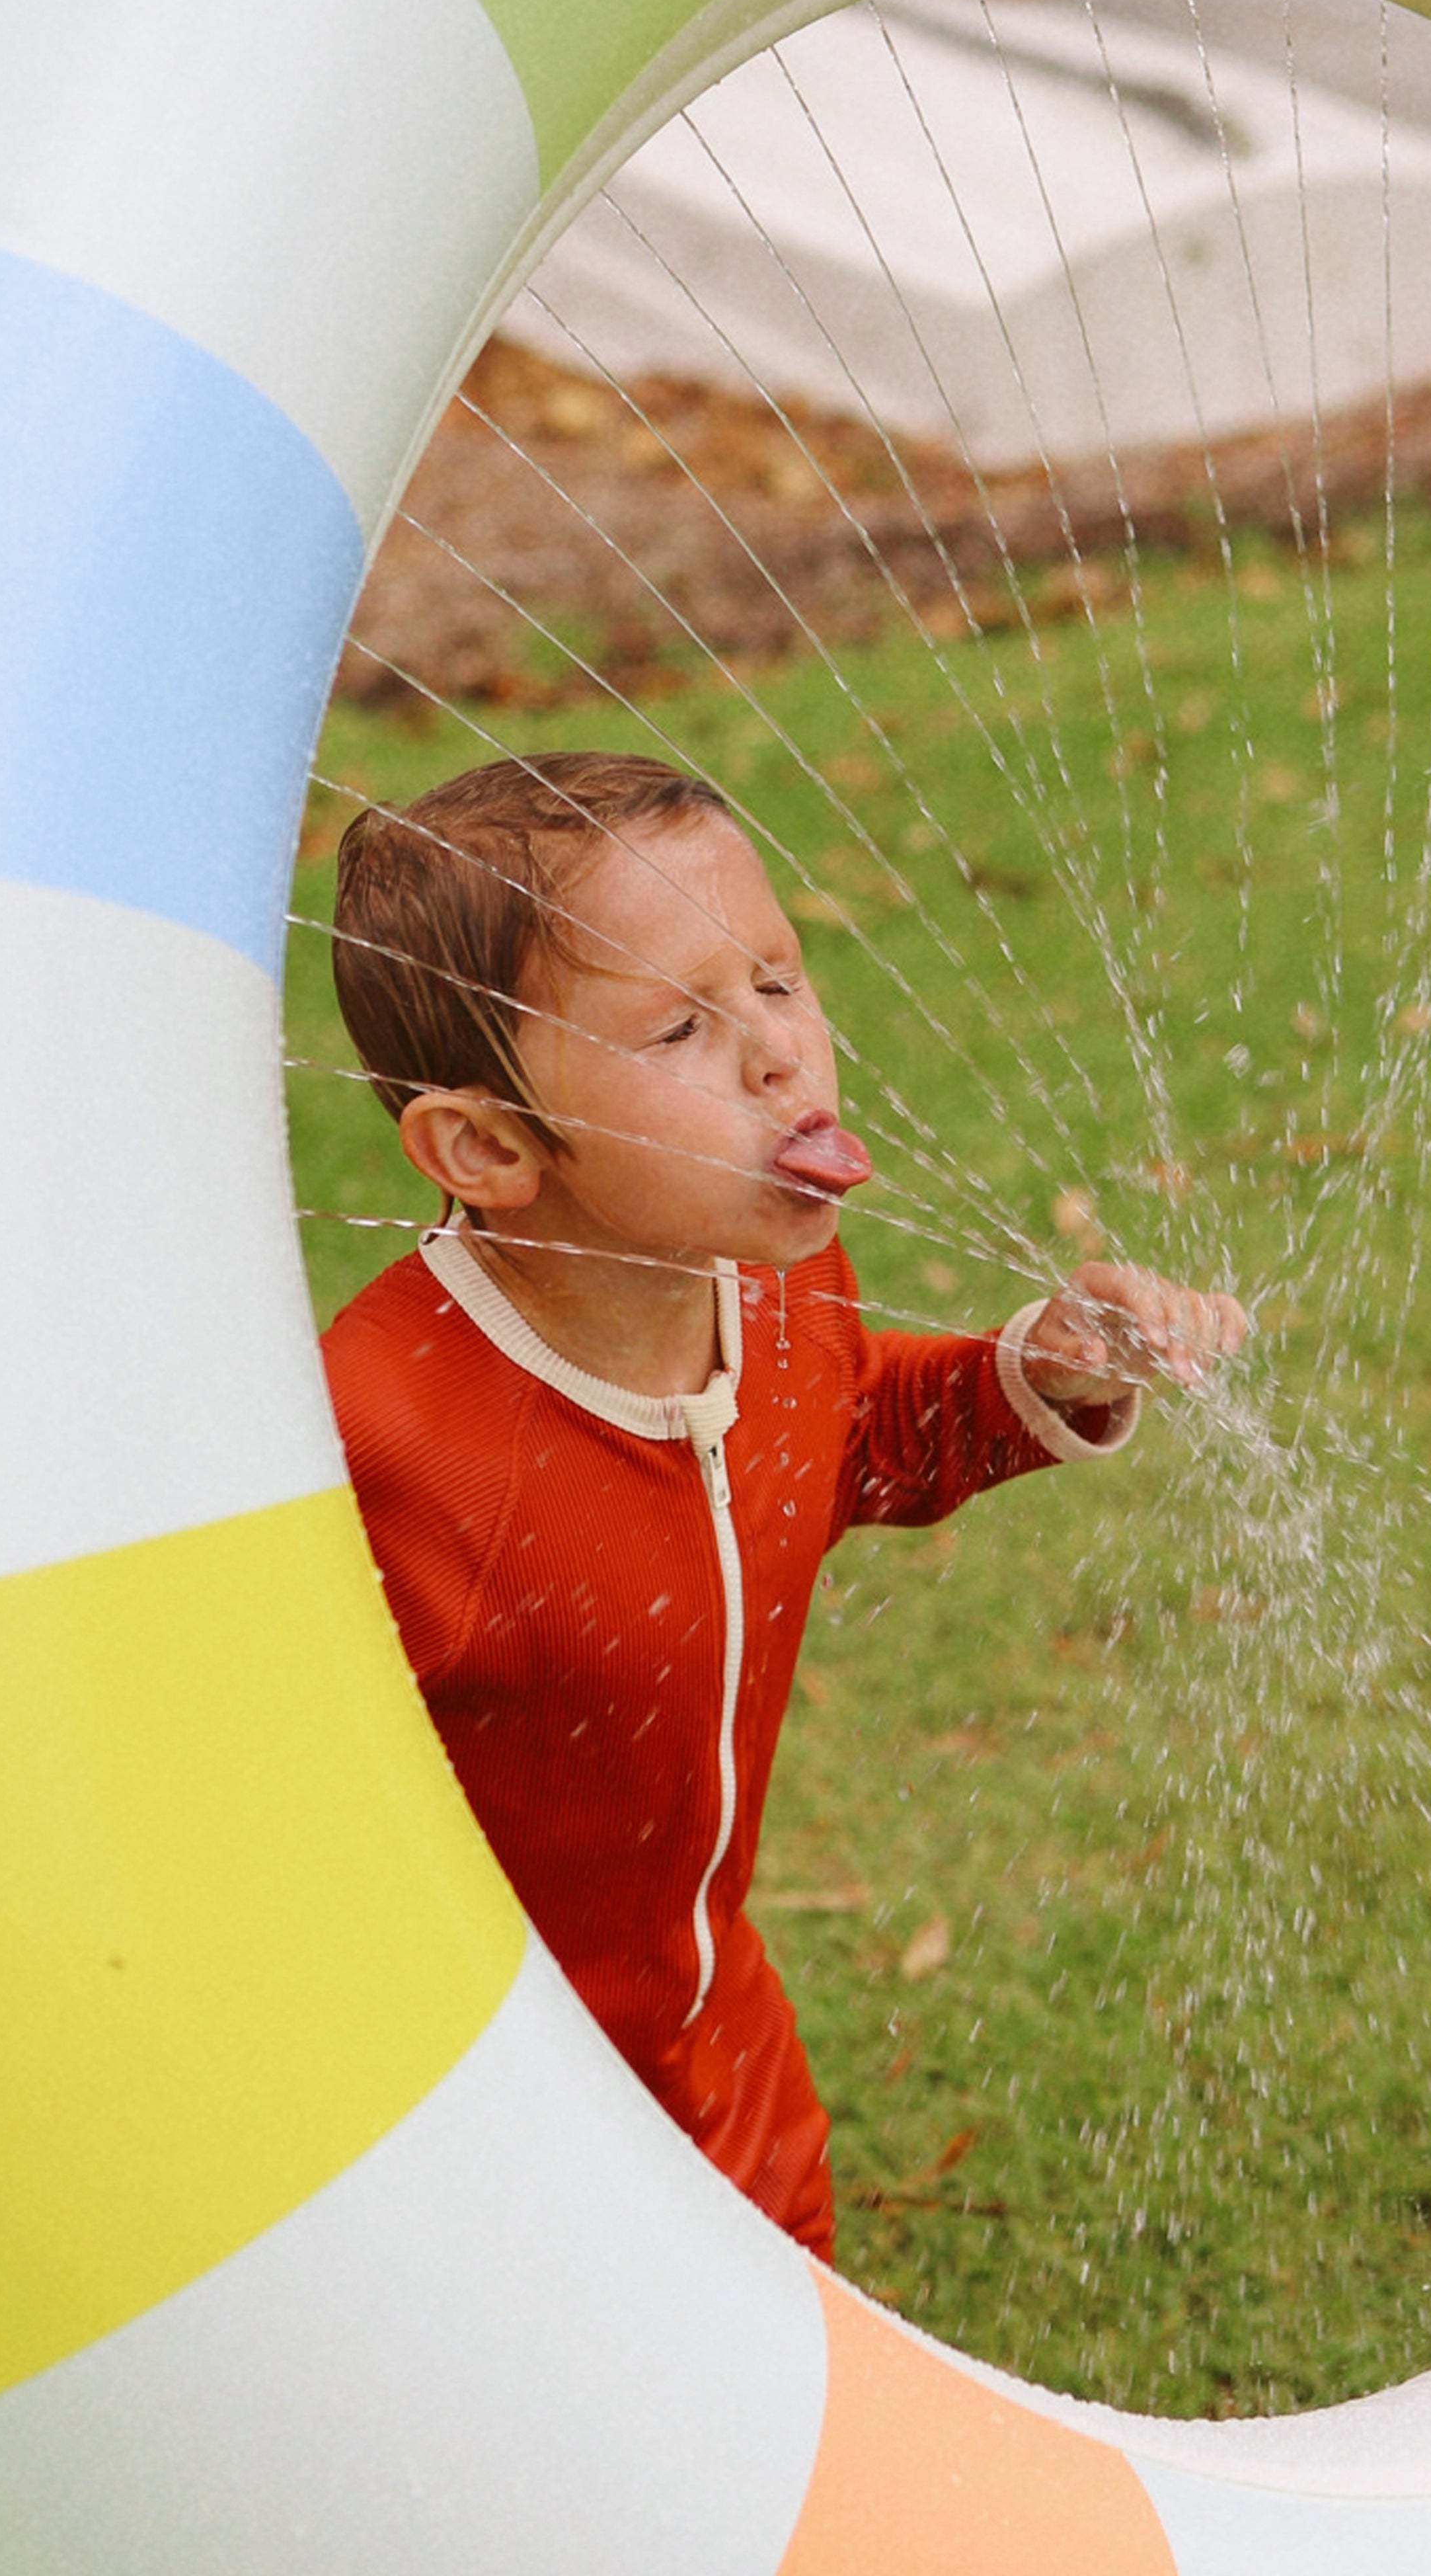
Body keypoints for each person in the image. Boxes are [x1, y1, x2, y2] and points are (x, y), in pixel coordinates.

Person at [322, 750, 1245, 2259]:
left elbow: (834, 1432)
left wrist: (1039, 1371)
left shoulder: (773, 1282)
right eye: (681, 1022)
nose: (777, 1054)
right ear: (488, 1146)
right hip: (489, 2142)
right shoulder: (392, 1447)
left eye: (776, 979)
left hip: (722, 2059)